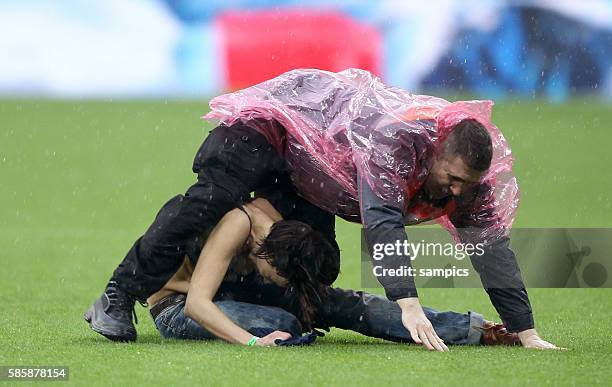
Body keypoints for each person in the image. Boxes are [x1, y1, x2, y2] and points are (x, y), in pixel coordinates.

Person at [85, 68, 559, 350]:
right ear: (434, 150)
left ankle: (477, 331)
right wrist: (407, 302)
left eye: (466, 185)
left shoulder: (466, 184)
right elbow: (382, 223)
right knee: (209, 200)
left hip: (306, 171)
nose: (455, 192)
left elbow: (491, 250)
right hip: (270, 130)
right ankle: (117, 292)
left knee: (317, 272)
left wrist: (527, 328)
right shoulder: (395, 143)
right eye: (451, 178)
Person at [147, 198, 519, 348]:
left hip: (238, 293)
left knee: (350, 304)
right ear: (266, 259)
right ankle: (281, 327)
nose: (285, 285)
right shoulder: (236, 226)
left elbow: (303, 284)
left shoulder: (281, 235)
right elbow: (198, 304)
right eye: (282, 279)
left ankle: (473, 329)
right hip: (179, 305)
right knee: (280, 322)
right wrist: (252, 343)